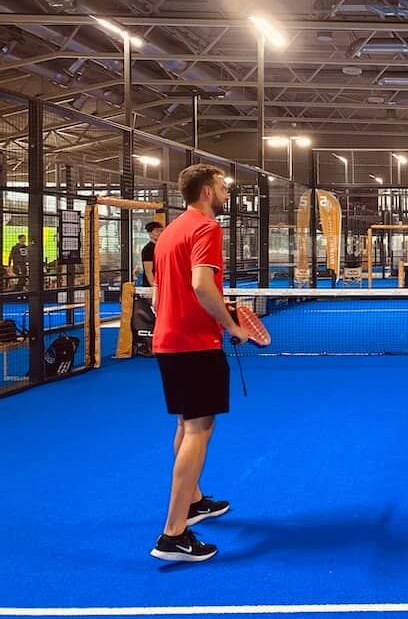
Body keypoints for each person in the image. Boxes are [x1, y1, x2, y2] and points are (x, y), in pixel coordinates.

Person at [149, 164, 249, 563]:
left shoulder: (168, 232)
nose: (226, 192)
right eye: (223, 186)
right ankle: (173, 534)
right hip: (194, 343)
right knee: (199, 429)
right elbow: (200, 285)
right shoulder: (207, 228)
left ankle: (192, 501)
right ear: (207, 191)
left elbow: (161, 296)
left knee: (186, 423)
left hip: (168, 341)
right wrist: (231, 325)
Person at [140, 221, 164, 287]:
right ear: (150, 233)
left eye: (161, 231)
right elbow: (148, 272)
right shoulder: (148, 249)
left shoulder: (163, 247)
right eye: (157, 231)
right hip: (151, 286)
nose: (160, 233)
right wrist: (155, 288)